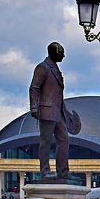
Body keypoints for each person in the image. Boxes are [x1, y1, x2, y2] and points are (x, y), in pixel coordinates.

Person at [29, 42, 71, 181]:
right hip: (46, 110)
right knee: (45, 141)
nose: (64, 55)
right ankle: (45, 171)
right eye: (62, 52)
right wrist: (34, 107)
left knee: (64, 140)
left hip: (58, 112)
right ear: (54, 52)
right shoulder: (43, 67)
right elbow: (34, 88)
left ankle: (63, 171)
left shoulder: (55, 68)